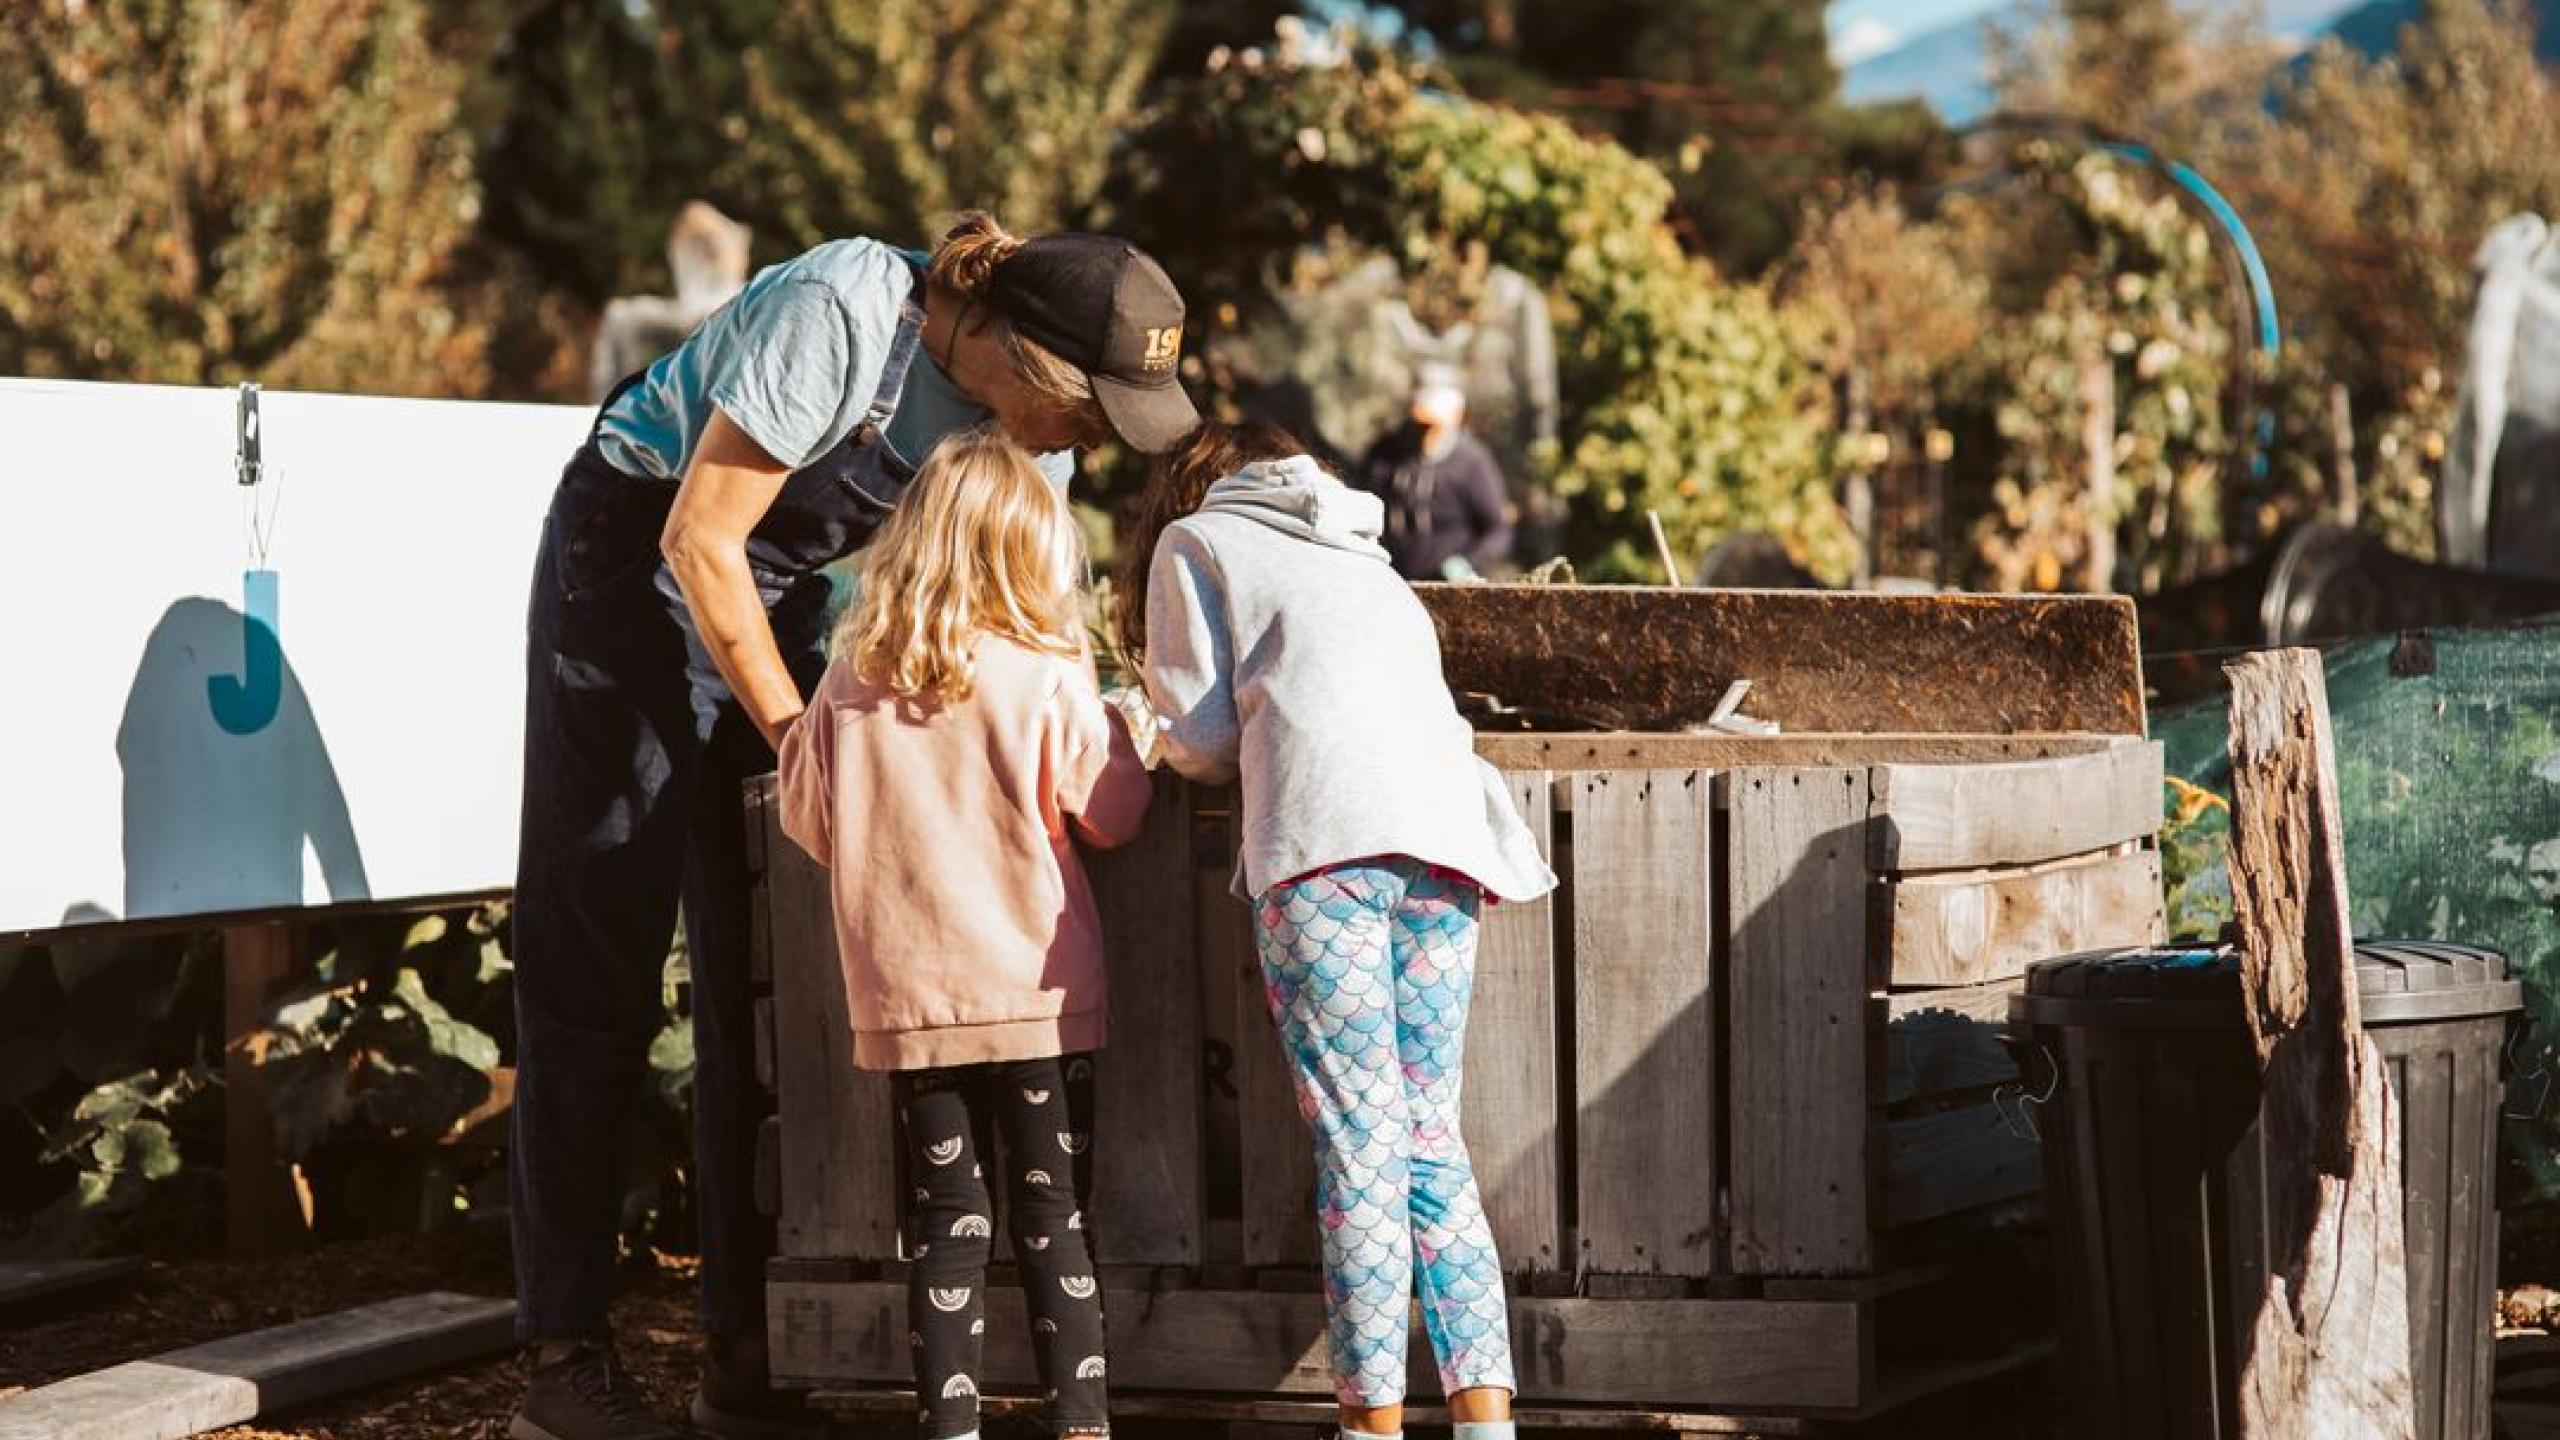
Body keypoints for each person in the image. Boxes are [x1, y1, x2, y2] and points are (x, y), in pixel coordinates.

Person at [509, 213, 1195, 1440]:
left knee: (749, 971)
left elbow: (1025, 620)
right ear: (1024, 358)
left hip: (770, 608)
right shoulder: (839, 318)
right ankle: (564, 1357)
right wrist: (805, 743)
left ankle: (740, 1349)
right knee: (596, 959)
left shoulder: (1026, 442)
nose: (1091, 442)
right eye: (1089, 411)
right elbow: (698, 539)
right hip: (636, 568)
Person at [1113, 422, 1554, 1440]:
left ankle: (1372, 1427)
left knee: (1360, 1144)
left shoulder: (1199, 543)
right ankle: (1486, 1424)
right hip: (1445, 843)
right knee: (1428, 1133)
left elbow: (1202, 736)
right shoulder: (1370, 554)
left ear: (1196, 482)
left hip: (1325, 848)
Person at [776, 429, 1149, 1440]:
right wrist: (1121, 726)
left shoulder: (850, 680)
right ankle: (1081, 1428)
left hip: (912, 1002)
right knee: (1049, 1222)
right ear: (1031, 552)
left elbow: (806, 819)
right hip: (1033, 995)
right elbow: (1113, 810)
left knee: (946, 1227)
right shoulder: (1041, 670)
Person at [1352, 370, 1515, 581]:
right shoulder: (1385, 453)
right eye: (1421, 424)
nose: (1425, 434)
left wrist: (1468, 564)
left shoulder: (1471, 461)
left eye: (1434, 426)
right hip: (1389, 578)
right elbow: (1360, 506)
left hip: (1448, 585)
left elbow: (1498, 529)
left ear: (1454, 419)